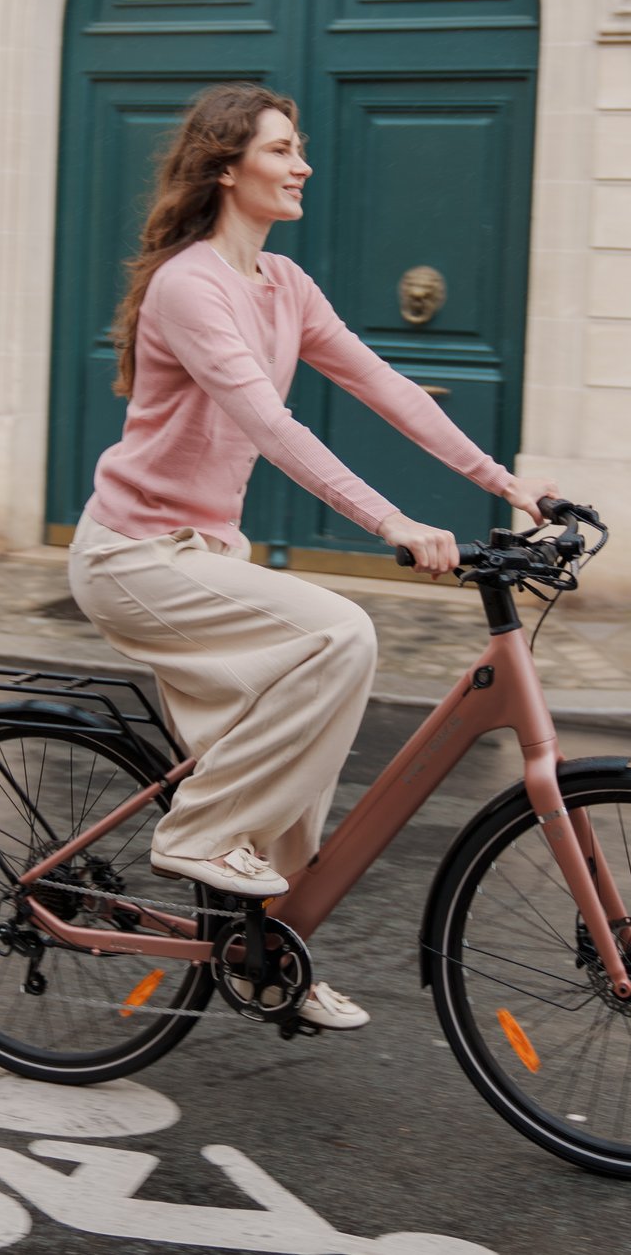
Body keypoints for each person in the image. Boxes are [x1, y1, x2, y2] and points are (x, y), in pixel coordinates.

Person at [67, 84, 557, 1033]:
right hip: (136, 557)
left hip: (205, 555)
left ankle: (263, 956)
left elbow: (389, 389)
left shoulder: (283, 285)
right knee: (340, 632)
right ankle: (200, 829)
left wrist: (509, 486)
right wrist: (395, 525)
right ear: (225, 166)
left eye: (299, 149)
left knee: (301, 754)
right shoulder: (190, 285)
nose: (303, 165)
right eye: (283, 149)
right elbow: (273, 428)